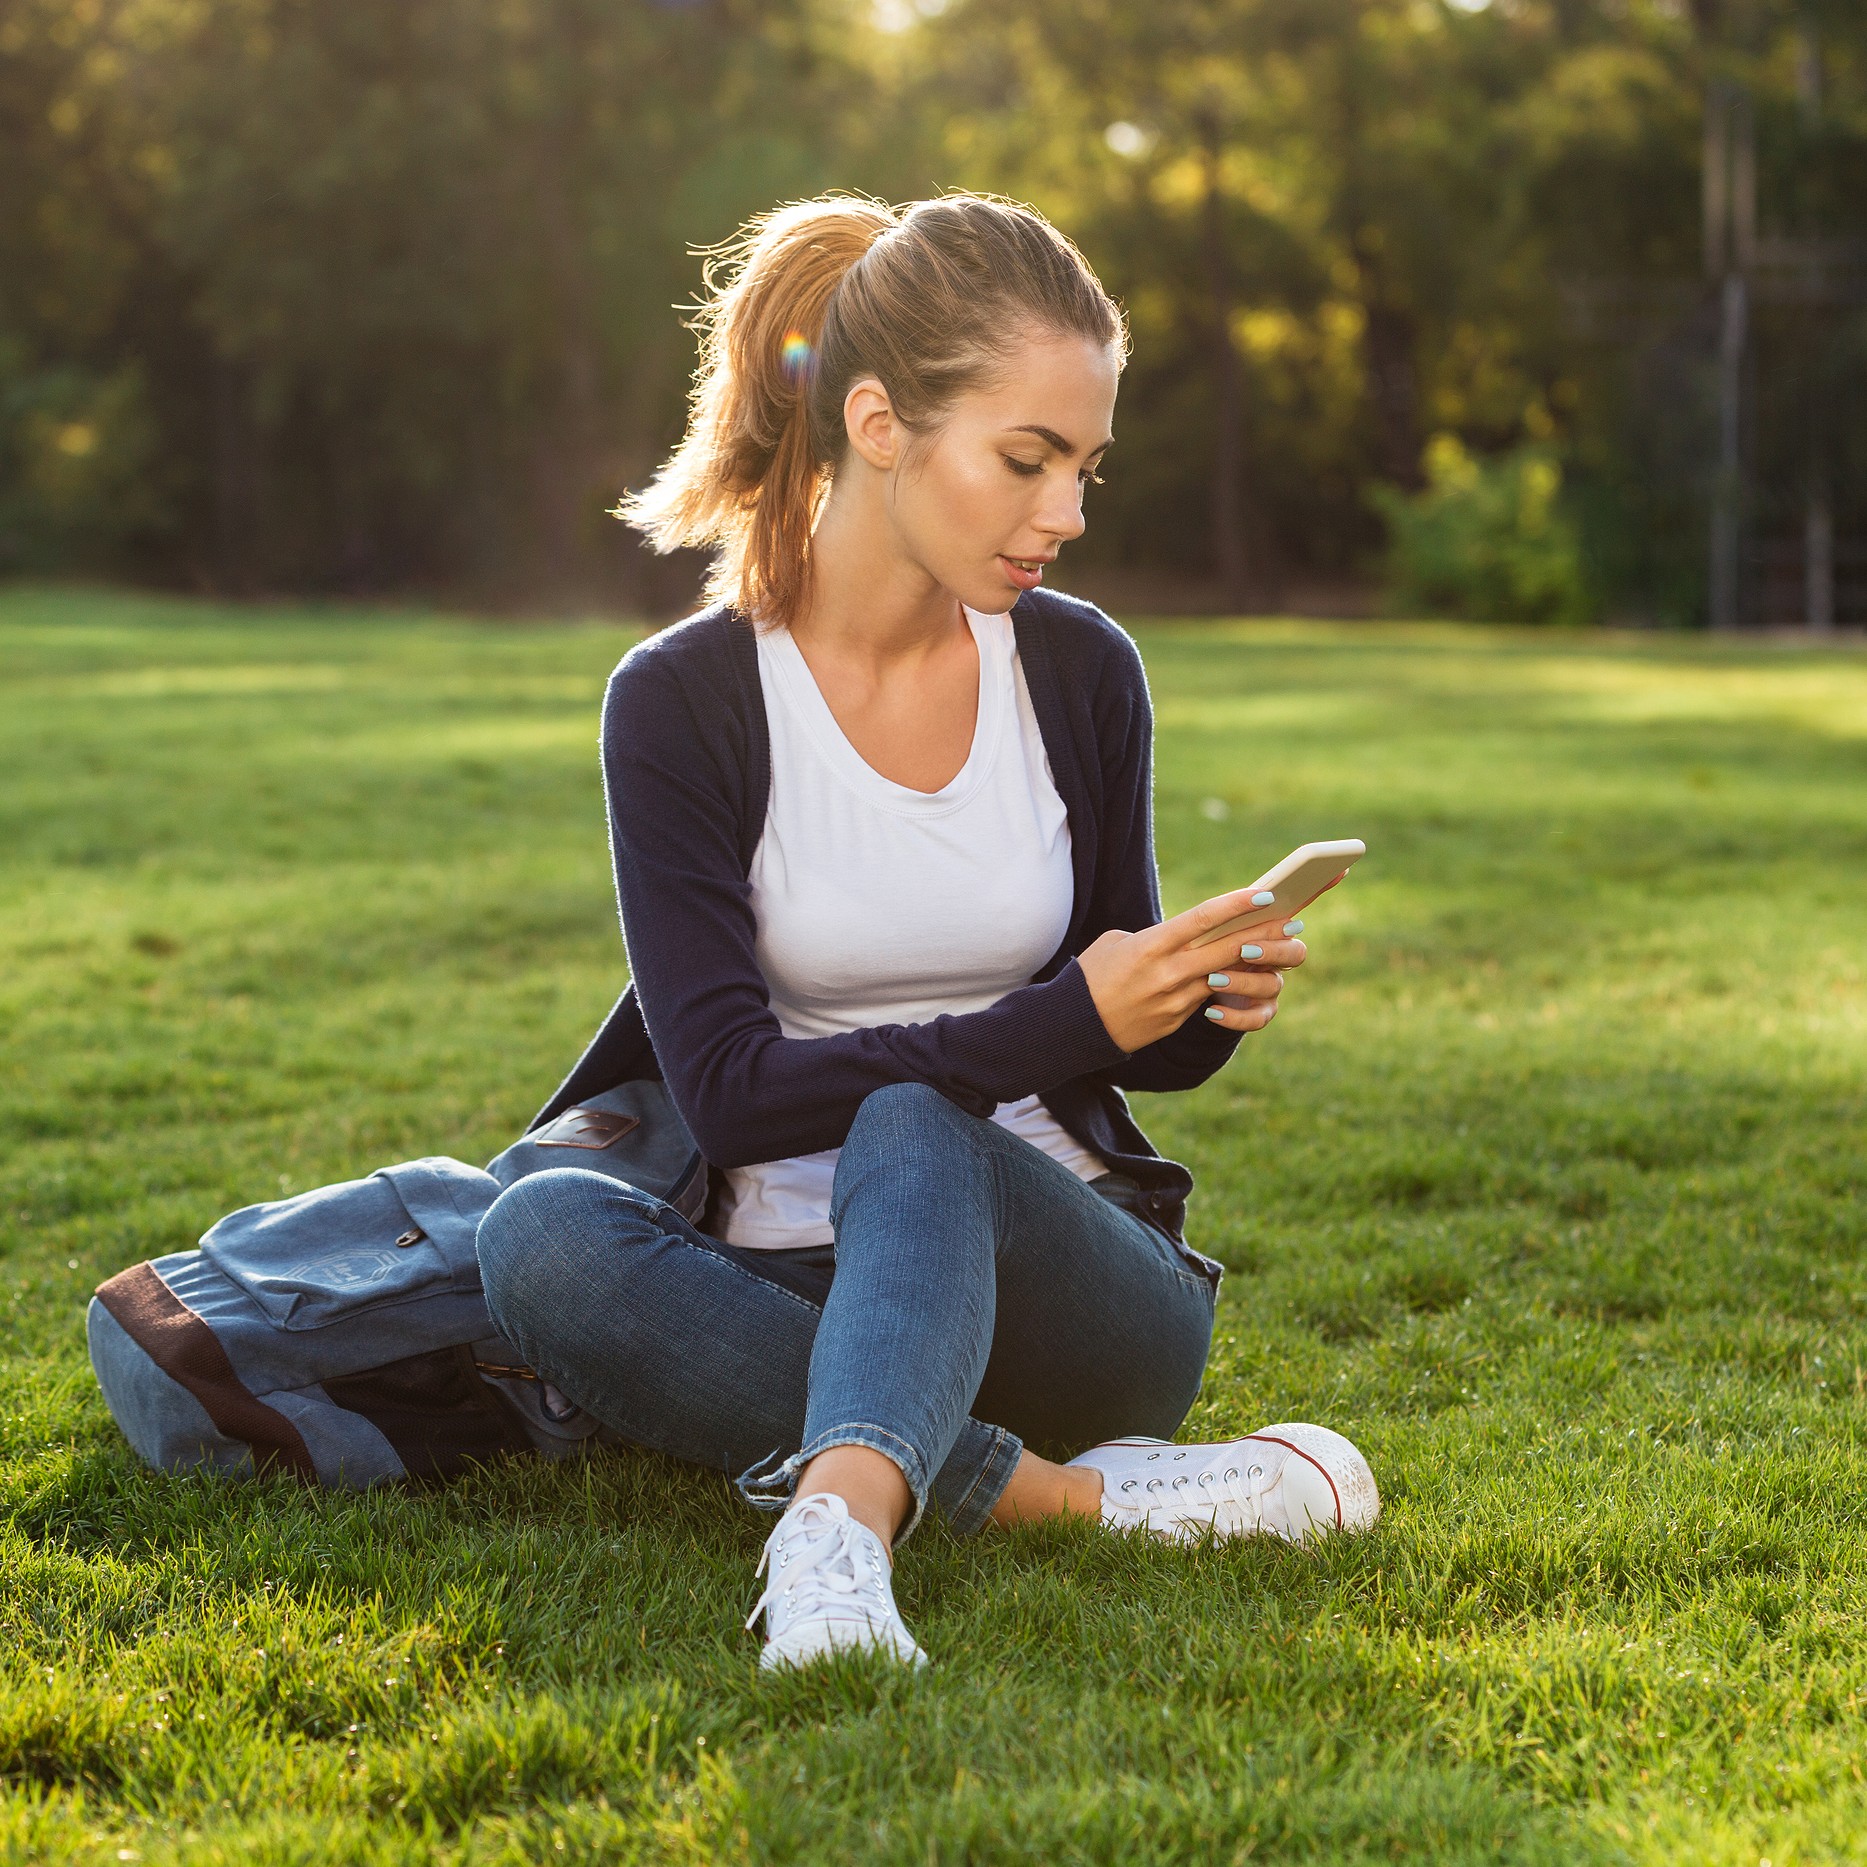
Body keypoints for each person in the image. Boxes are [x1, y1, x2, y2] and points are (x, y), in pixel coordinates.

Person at [475, 190, 1378, 1671]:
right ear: (879, 423)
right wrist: (1066, 1020)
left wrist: (1190, 1005)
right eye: (1027, 461)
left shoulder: (1079, 672)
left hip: (1075, 1293)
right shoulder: (684, 700)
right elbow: (727, 1093)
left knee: (916, 1118)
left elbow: (1116, 1049)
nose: (1069, 514)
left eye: (1086, 466)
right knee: (535, 1235)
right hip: (779, 1278)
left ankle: (837, 1526)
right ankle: (1061, 1500)